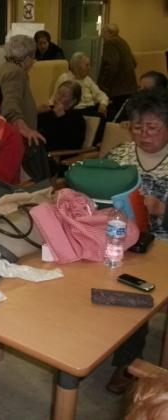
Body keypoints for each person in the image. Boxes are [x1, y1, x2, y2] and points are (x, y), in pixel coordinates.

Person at [106, 88, 168, 393]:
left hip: (162, 245)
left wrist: (162, 209)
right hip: (121, 236)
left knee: (136, 292)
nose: (143, 134)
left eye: (152, 127)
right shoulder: (121, 155)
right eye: (137, 127)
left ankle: (128, 362)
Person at [0, 34, 45, 145]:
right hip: (16, 139)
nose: (33, 62)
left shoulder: (5, 68)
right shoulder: (16, 73)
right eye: (33, 58)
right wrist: (23, 128)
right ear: (27, 59)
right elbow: (9, 104)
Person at [97, 23, 138, 121]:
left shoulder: (110, 43)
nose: (102, 36)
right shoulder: (123, 41)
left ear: (110, 33)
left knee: (115, 120)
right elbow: (134, 63)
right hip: (130, 87)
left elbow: (111, 66)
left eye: (103, 32)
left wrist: (103, 85)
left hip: (117, 90)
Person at [38, 80, 86, 151]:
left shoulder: (77, 118)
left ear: (73, 101)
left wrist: (59, 118)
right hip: (39, 146)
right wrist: (38, 113)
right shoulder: (49, 110)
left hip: (55, 153)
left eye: (64, 95)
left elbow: (68, 144)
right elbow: (35, 127)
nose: (58, 97)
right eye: (58, 93)